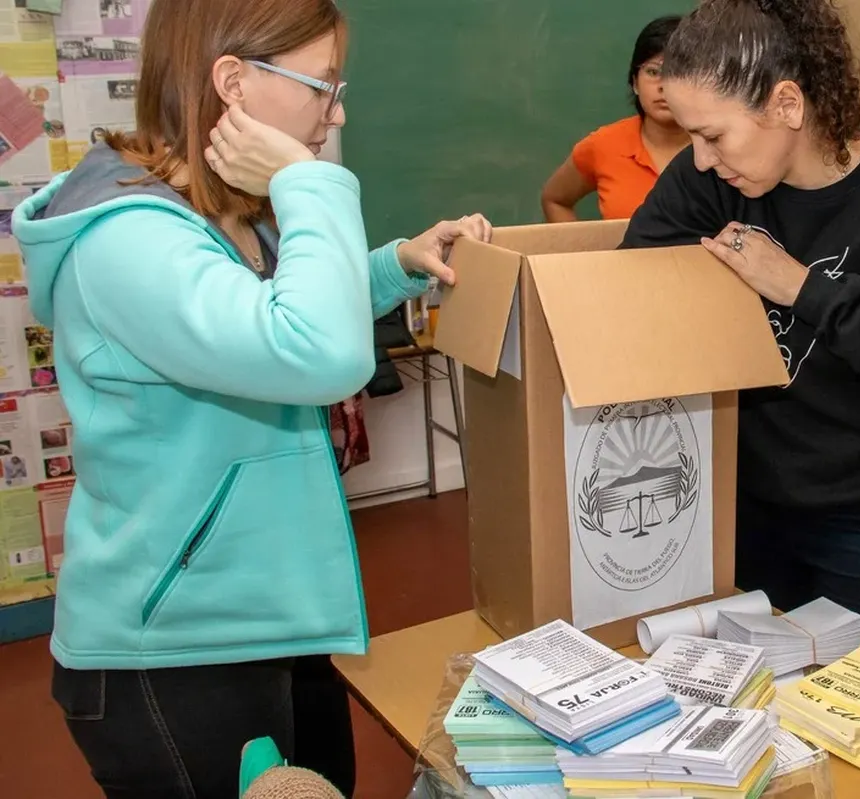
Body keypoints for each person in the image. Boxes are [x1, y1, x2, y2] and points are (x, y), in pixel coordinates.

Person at [11, 1, 493, 797]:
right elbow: (316, 352)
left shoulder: (212, 208)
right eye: (323, 87)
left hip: (266, 614)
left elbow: (265, 312)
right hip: (176, 650)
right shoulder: (127, 238)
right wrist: (311, 184)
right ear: (232, 81)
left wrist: (392, 265)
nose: (335, 113)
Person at [621, 0, 860, 644]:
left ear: (787, 105)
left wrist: (799, 286)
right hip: (741, 508)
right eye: (690, 138)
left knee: (848, 725)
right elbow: (635, 287)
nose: (701, 159)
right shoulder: (710, 181)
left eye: (713, 136)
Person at [540, 15, 689, 221]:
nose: (663, 85)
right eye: (653, 72)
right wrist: (581, 252)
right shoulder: (604, 145)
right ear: (635, 83)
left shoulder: (721, 147)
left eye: (679, 73)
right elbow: (555, 200)